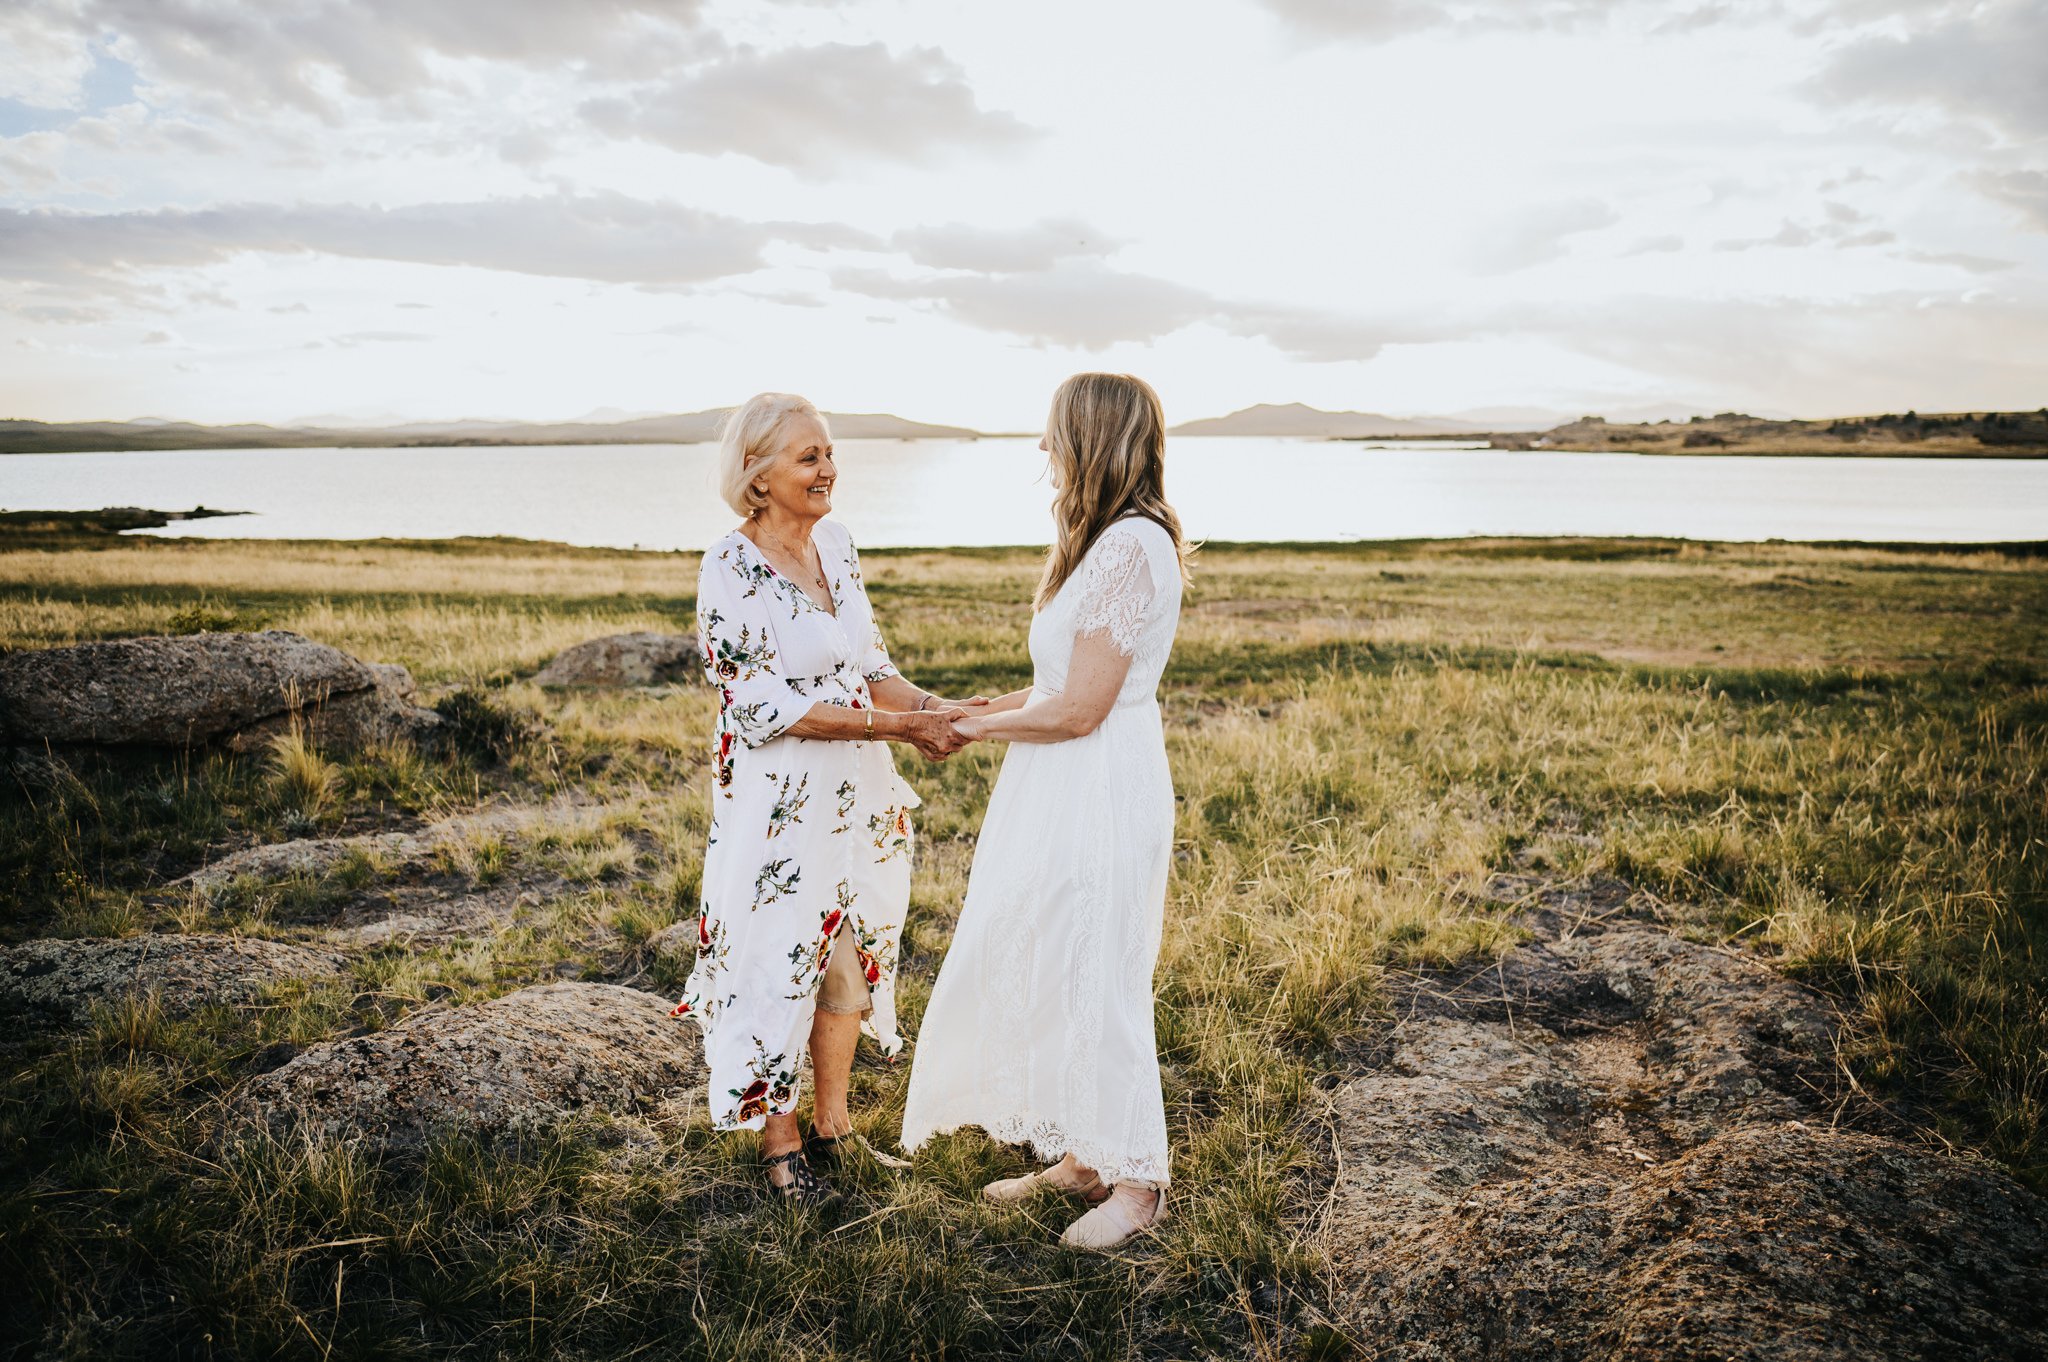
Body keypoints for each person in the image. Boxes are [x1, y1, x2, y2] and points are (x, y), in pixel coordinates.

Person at [900, 372, 1192, 1250]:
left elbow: (1080, 711)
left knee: (1101, 973)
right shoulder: (1100, 544)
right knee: (1066, 954)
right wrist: (966, 711)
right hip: (1063, 780)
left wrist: (972, 735)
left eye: (1053, 432)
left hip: (1100, 782)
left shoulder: (1133, 547)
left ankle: (1140, 1183)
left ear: (1092, 439)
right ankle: (1082, 1156)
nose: (1042, 449)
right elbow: (1055, 686)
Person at [672, 391, 978, 1208]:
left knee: (851, 953)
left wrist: (936, 710)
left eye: (830, 452)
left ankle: (835, 1126)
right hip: (777, 804)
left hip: (856, 793)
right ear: (756, 474)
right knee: (779, 960)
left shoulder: (835, 545)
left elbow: (872, 665)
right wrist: (896, 726)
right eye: (808, 456)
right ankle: (781, 1145)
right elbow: (762, 704)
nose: (827, 468)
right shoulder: (727, 567)